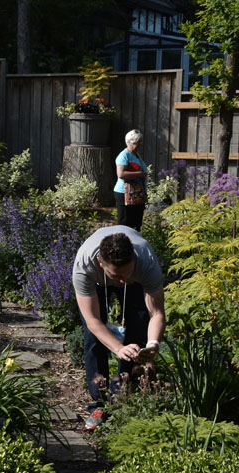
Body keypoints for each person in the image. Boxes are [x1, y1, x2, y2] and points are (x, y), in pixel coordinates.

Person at [72, 225, 166, 430]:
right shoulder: (84, 266)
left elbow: (157, 314)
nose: (122, 280)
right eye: (117, 276)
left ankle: (123, 394)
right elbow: (93, 321)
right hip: (98, 283)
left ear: (134, 260)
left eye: (126, 273)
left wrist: (153, 344)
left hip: (137, 282)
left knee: (138, 330)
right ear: (100, 262)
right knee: (94, 340)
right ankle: (99, 403)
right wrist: (117, 348)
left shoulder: (146, 264)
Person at [114, 129, 148, 231]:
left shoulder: (136, 155)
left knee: (136, 224)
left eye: (141, 141)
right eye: (138, 142)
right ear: (130, 142)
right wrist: (139, 174)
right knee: (124, 224)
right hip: (124, 193)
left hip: (136, 192)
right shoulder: (124, 155)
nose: (140, 144)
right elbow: (121, 174)